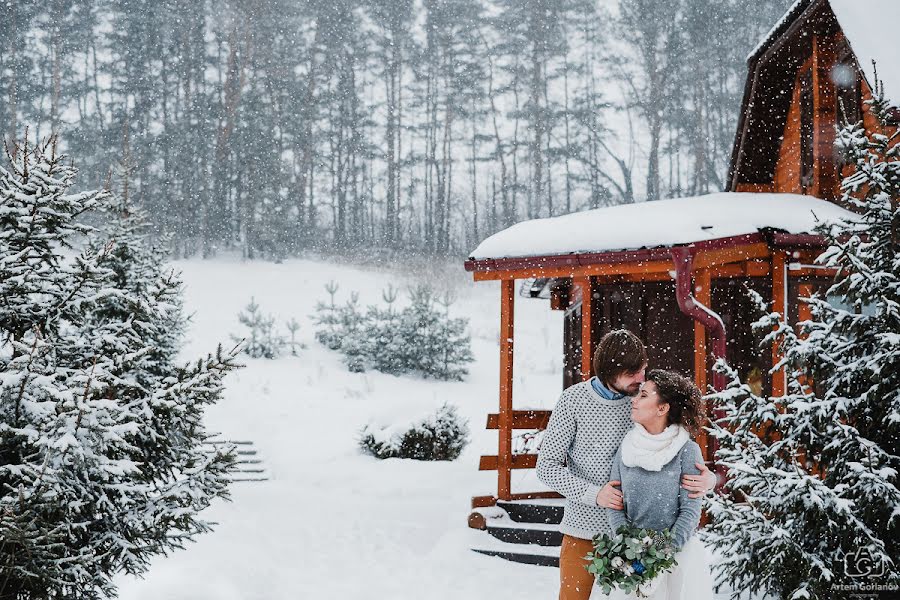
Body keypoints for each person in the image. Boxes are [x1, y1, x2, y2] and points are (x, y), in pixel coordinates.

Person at [536, 330, 716, 600]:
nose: (640, 380)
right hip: (584, 531)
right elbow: (546, 467)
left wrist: (708, 481)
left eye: (642, 371)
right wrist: (595, 494)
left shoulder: (641, 402)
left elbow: (676, 446)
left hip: (639, 539)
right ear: (611, 371)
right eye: (633, 374)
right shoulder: (573, 401)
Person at [606, 369, 715, 599]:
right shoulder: (626, 447)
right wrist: (631, 551)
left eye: (643, 395)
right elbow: (614, 503)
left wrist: (660, 553)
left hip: (676, 560)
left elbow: (689, 512)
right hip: (629, 560)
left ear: (662, 408)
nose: (634, 400)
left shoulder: (687, 451)